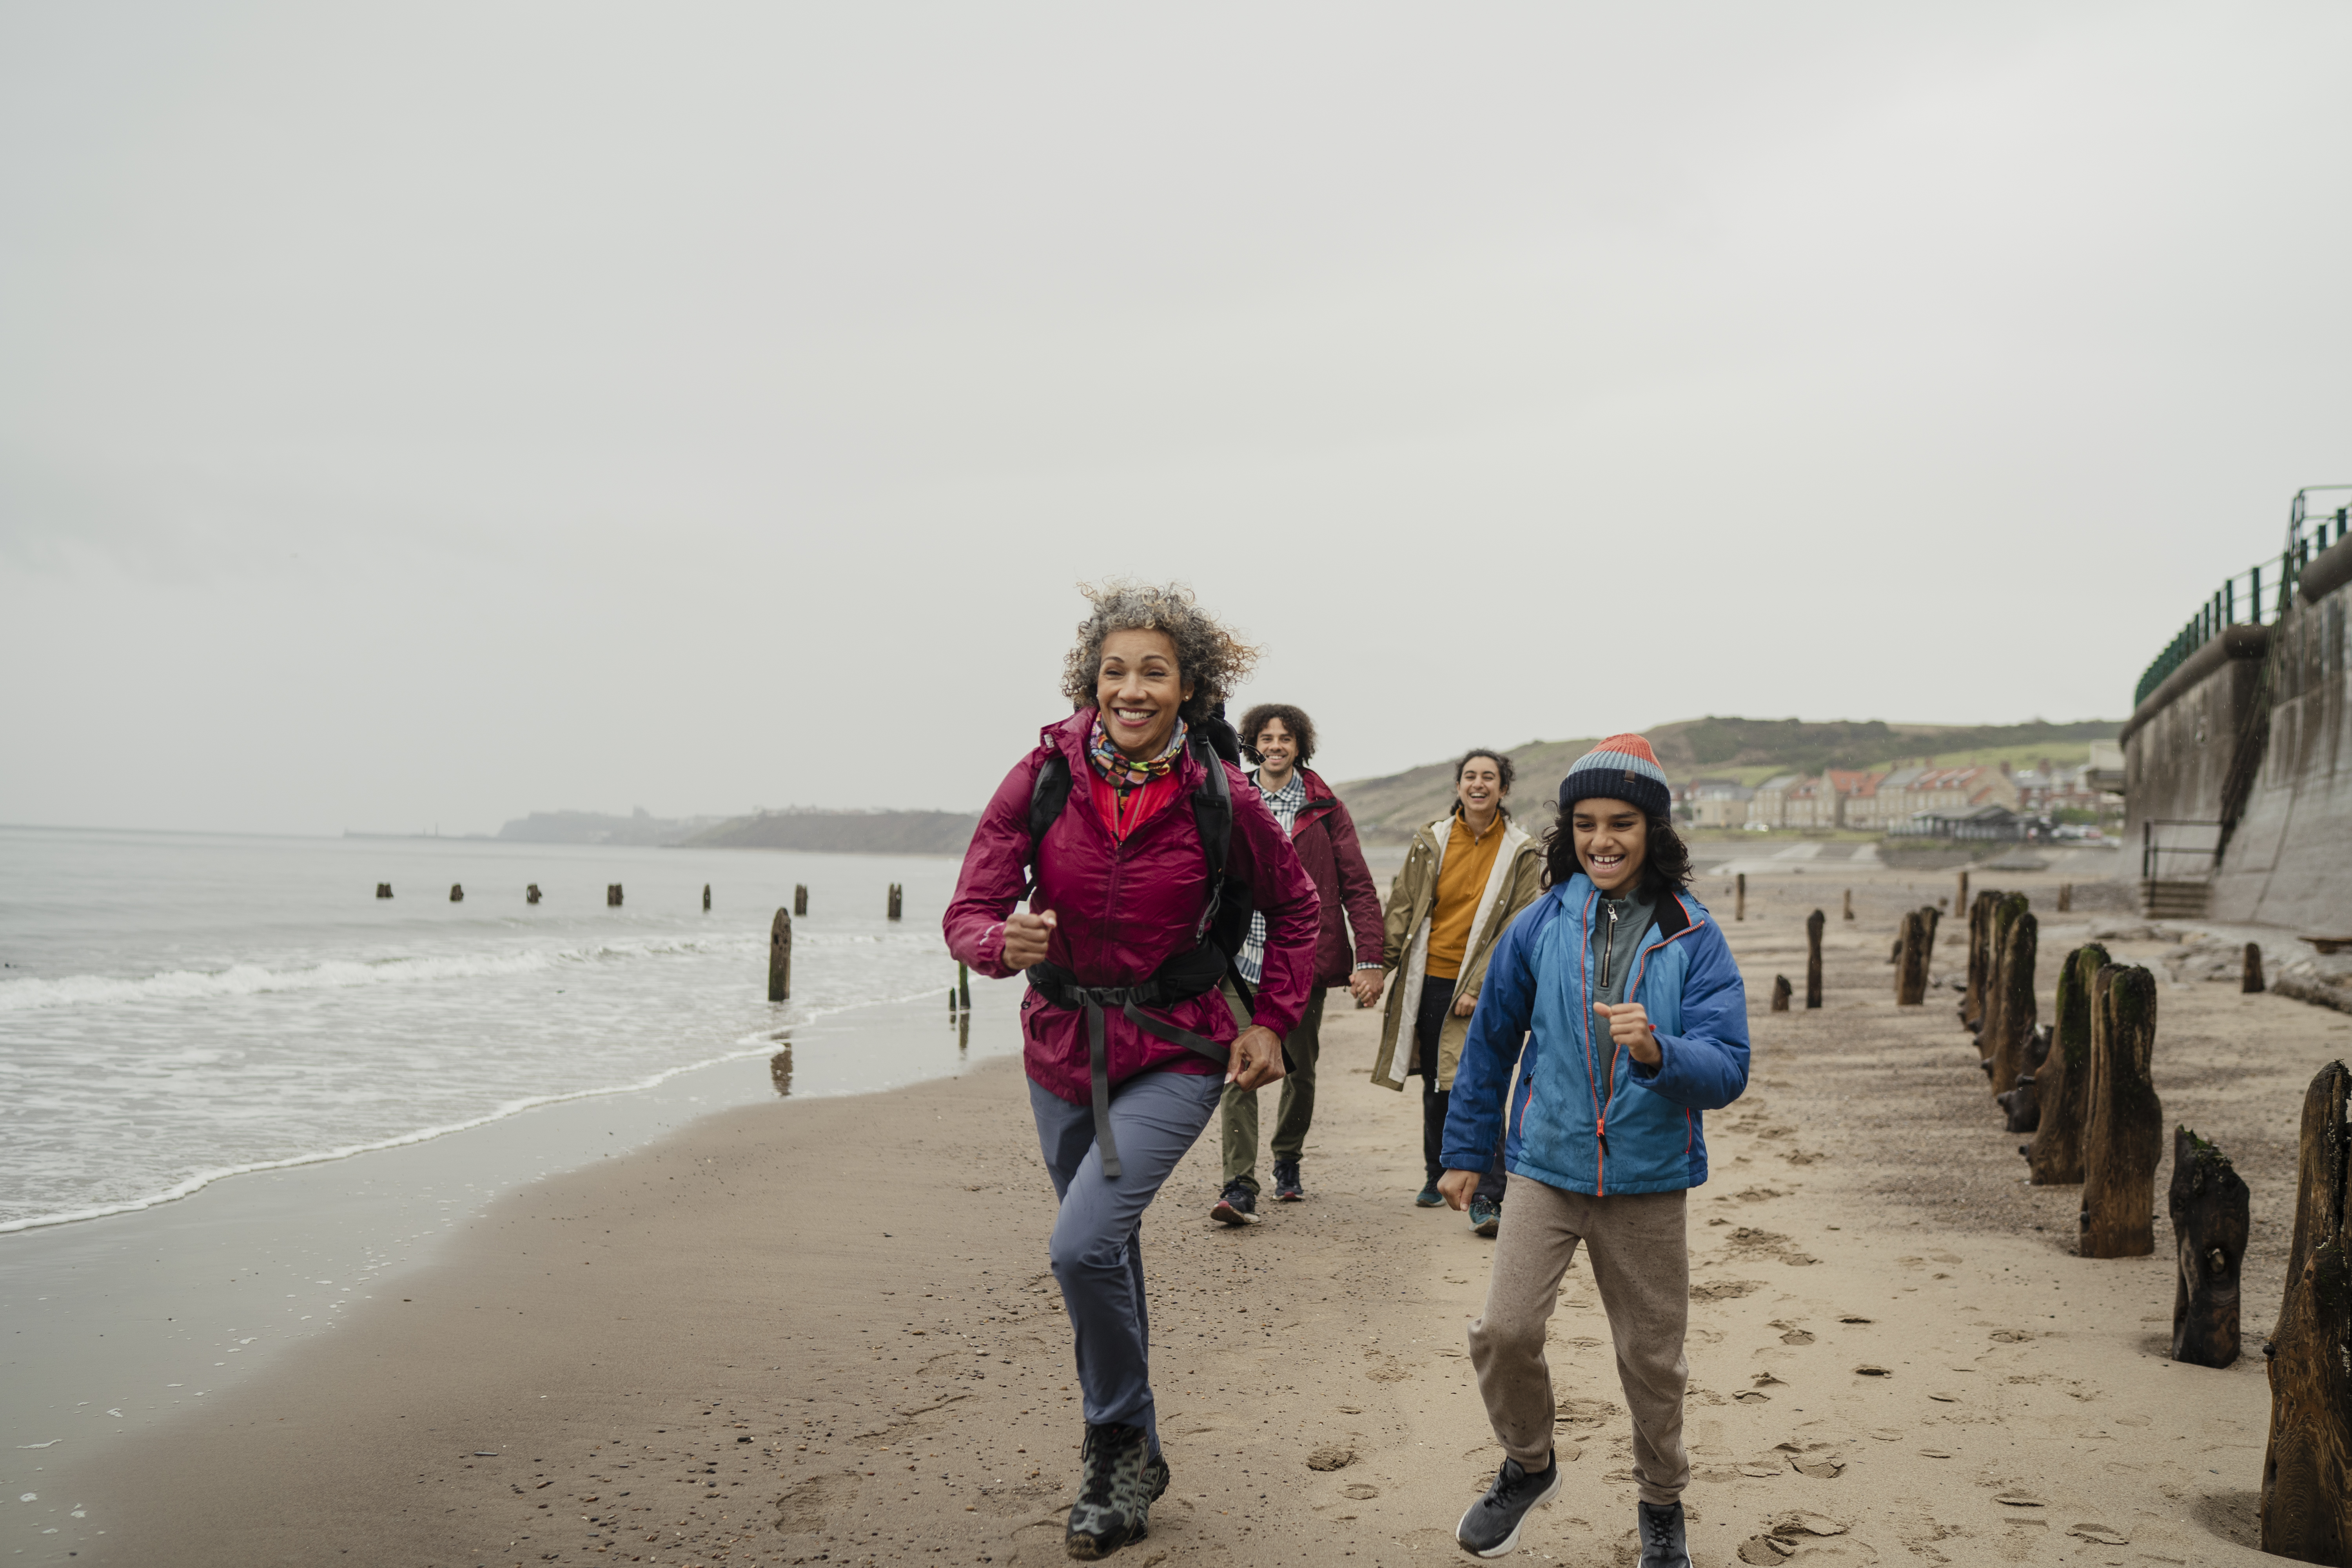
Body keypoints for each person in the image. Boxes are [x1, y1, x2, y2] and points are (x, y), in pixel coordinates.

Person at [943, 581, 1319, 1561]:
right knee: (1105, 1247)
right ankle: (1141, 1447)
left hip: (1177, 1049)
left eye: (1154, 671)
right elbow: (969, 909)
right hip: (1060, 1046)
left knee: (1078, 1247)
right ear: (1091, 681)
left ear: (1189, 687)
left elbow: (1299, 907)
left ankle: (1111, 1445)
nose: (1132, 687)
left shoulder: (1221, 795)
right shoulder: (1042, 777)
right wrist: (1001, 941)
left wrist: (1272, 1021)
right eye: (1116, 670)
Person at [1438, 735, 1748, 1565]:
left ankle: (1661, 1504)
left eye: (1621, 822)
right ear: (1567, 829)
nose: (1602, 839)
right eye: (1585, 823)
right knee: (1505, 1329)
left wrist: (1659, 1054)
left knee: (1652, 1359)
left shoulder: (1693, 935)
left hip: (1650, 1178)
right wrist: (1468, 1148)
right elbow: (1491, 1043)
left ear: (1654, 829)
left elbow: (1729, 1067)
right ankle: (1529, 1463)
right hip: (1546, 1163)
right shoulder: (1540, 922)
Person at [1208, 703, 1387, 1226]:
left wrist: (1371, 957)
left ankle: (1287, 1157)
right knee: (1239, 1067)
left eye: (1286, 738)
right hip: (1239, 959)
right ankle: (1239, 1184)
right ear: (1253, 744)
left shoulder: (1326, 808)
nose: (1276, 746)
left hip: (1301, 960)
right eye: (1267, 737)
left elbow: (1358, 885)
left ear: (1299, 745)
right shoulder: (1234, 795)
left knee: (1297, 1070)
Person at [1368, 748, 1544, 1236]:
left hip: (1485, 982)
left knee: (1480, 1079)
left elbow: (1517, 924)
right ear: (1459, 786)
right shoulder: (1433, 839)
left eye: (1489, 777)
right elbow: (1403, 904)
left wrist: (1478, 985)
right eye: (1471, 776)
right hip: (1430, 976)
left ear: (1503, 789)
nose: (1479, 784)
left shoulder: (1522, 849)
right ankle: (1436, 1171)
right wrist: (1378, 968)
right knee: (1437, 1081)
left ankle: (1490, 1195)